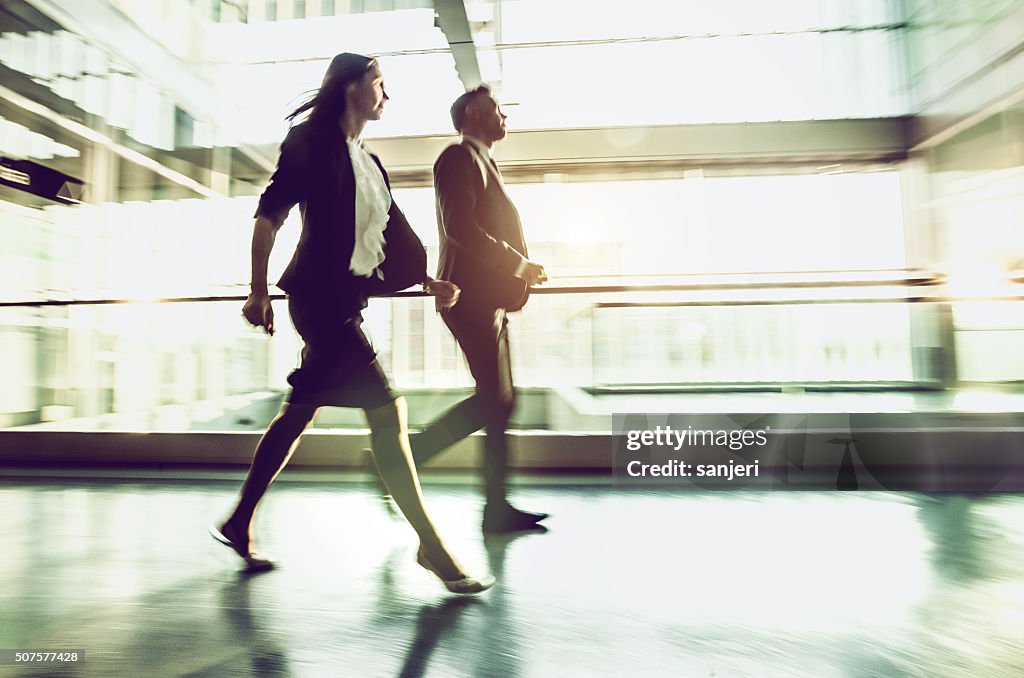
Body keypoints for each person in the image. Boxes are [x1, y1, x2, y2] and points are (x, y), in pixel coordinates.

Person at [211, 53, 493, 594]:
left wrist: (428, 280)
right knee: (389, 411)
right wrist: (256, 289)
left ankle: (239, 521)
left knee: (298, 414)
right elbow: (270, 213)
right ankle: (432, 548)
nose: (387, 95)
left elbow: (389, 232)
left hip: (345, 300)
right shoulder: (310, 145)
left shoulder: (370, 162)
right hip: (318, 302)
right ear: (351, 88)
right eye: (380, 83)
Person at [409, 85, 549, 534]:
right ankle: (402, 461)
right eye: (497, 109)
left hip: (488, 299)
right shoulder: (456, 158)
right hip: (466, 297)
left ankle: (493, 505)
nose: (504, 115)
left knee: (501, 400)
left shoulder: (484, 161)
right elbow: (460, 228)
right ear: (473, 113)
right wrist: (518, 264)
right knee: (496, 399)